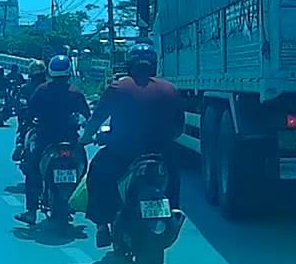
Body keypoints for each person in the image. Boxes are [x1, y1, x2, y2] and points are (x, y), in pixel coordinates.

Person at [80, 41, 183, 248]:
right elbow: (178, 128)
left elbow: (97, 118)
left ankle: (102, 225)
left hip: (122, 154)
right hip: (161, 154)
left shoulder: (118, 87)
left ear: (129, 64)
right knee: (174, 178)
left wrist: (85, 138)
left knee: (97, 173)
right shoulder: (170, 89)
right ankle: (173, 211)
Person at [16, 55, 91, 225]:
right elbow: (87, 116)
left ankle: (31, 212)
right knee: (82, 164)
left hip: (46, 139)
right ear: (68, 73)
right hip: (70, 139)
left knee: (32, 169)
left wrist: (27, 124)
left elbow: (29, 114)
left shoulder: (42, 90)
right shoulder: (75, 92)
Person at [12, 60, 48, 161]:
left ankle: (20, 143)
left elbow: (20, 105)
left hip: (33, 118)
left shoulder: (26, 87)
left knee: (23, 127)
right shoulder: (51, 86)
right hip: (45, 119)